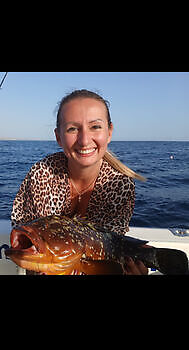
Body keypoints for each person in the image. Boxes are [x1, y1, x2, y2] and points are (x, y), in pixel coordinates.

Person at [11, 89, 147, 275]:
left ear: (109, 132)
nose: (84, 140)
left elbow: (109, 250)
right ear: (58, 136)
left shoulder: (120, 184)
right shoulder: (41, 174)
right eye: (72, 129)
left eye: (95, 127)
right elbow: (27, 238)